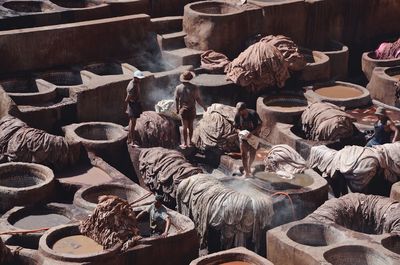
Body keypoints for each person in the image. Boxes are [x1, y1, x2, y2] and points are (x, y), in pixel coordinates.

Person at [175, 71, 207, 148]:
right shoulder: (194, 88)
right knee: (191, 126)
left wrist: (177, 109)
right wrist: (204, 107)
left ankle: (185, 143)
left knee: (184, 127)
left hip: (183, 110)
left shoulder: (178, 88)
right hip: (192, 110)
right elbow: (198, 99)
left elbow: (176, 99)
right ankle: (190, 142)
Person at [234, 102, 262, 177]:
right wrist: (240, 132)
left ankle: (249, 167)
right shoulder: (238, 115)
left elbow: (260, 125)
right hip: (243, 137)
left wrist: (252, 133)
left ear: (244, 110)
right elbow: (236, 127)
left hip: (254, 136)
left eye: (240, 111)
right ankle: (246, 172)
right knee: (244, 154)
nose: (239, 113)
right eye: (238, 111)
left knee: (252, 153)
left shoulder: (253, 114)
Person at [125, 70, 145, 145]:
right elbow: (127, 98)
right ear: (135, 77)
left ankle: (129, 139)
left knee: (132, 122)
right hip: (133, 105)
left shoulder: (135, 83)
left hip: (135, 104)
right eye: (139, 78)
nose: (140, 80)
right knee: (133, 124)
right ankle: (131, 140)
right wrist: (129, 105)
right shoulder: (132, 86)